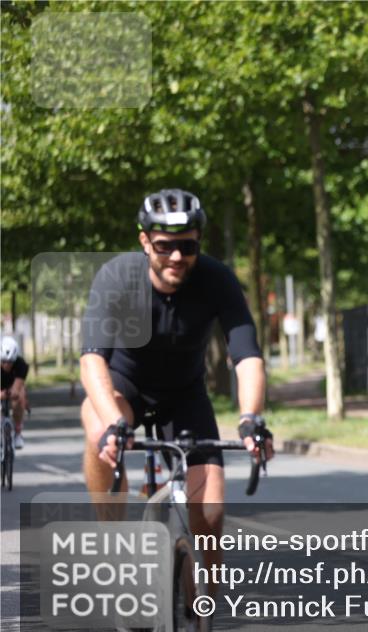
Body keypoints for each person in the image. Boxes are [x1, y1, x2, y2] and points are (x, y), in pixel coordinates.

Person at [80, 189, 274, 590]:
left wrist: (251, 418)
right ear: (145, 241)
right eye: (164, 245)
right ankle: (110, 534)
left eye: (186, 246)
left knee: (211, 510)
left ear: (198, 241)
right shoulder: (117, 277)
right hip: (124, 388)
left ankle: (194, 619)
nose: (175, 257)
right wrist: (116, 423)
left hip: (184, 394)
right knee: (99, 429)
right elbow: (92, 359)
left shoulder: (216, 279)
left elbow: (247, 357)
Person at [1, 336, 29, 449]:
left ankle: (18, 433)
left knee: (20, 396)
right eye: (3, 361)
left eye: (10, 362)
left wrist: (9, 394)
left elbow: (17, 388)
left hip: (12, 387)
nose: (7, 365)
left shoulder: (21, 364)